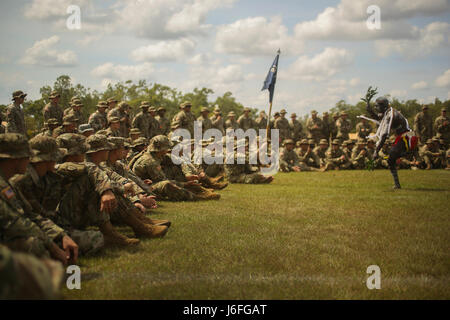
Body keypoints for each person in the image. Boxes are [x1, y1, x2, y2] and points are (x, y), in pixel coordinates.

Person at [362, 87, 418, 189]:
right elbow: (379, 117)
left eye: (377, 107)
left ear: (383, 106)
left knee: (391, 157)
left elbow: (384, 135)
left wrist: (376, 150)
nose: (376, 109)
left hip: (407, 138)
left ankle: (409, 155)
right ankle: (397, 183)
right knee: (391, 159)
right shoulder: (387, 112)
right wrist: (370, 112)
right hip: (402, 137)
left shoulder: (391, 115)